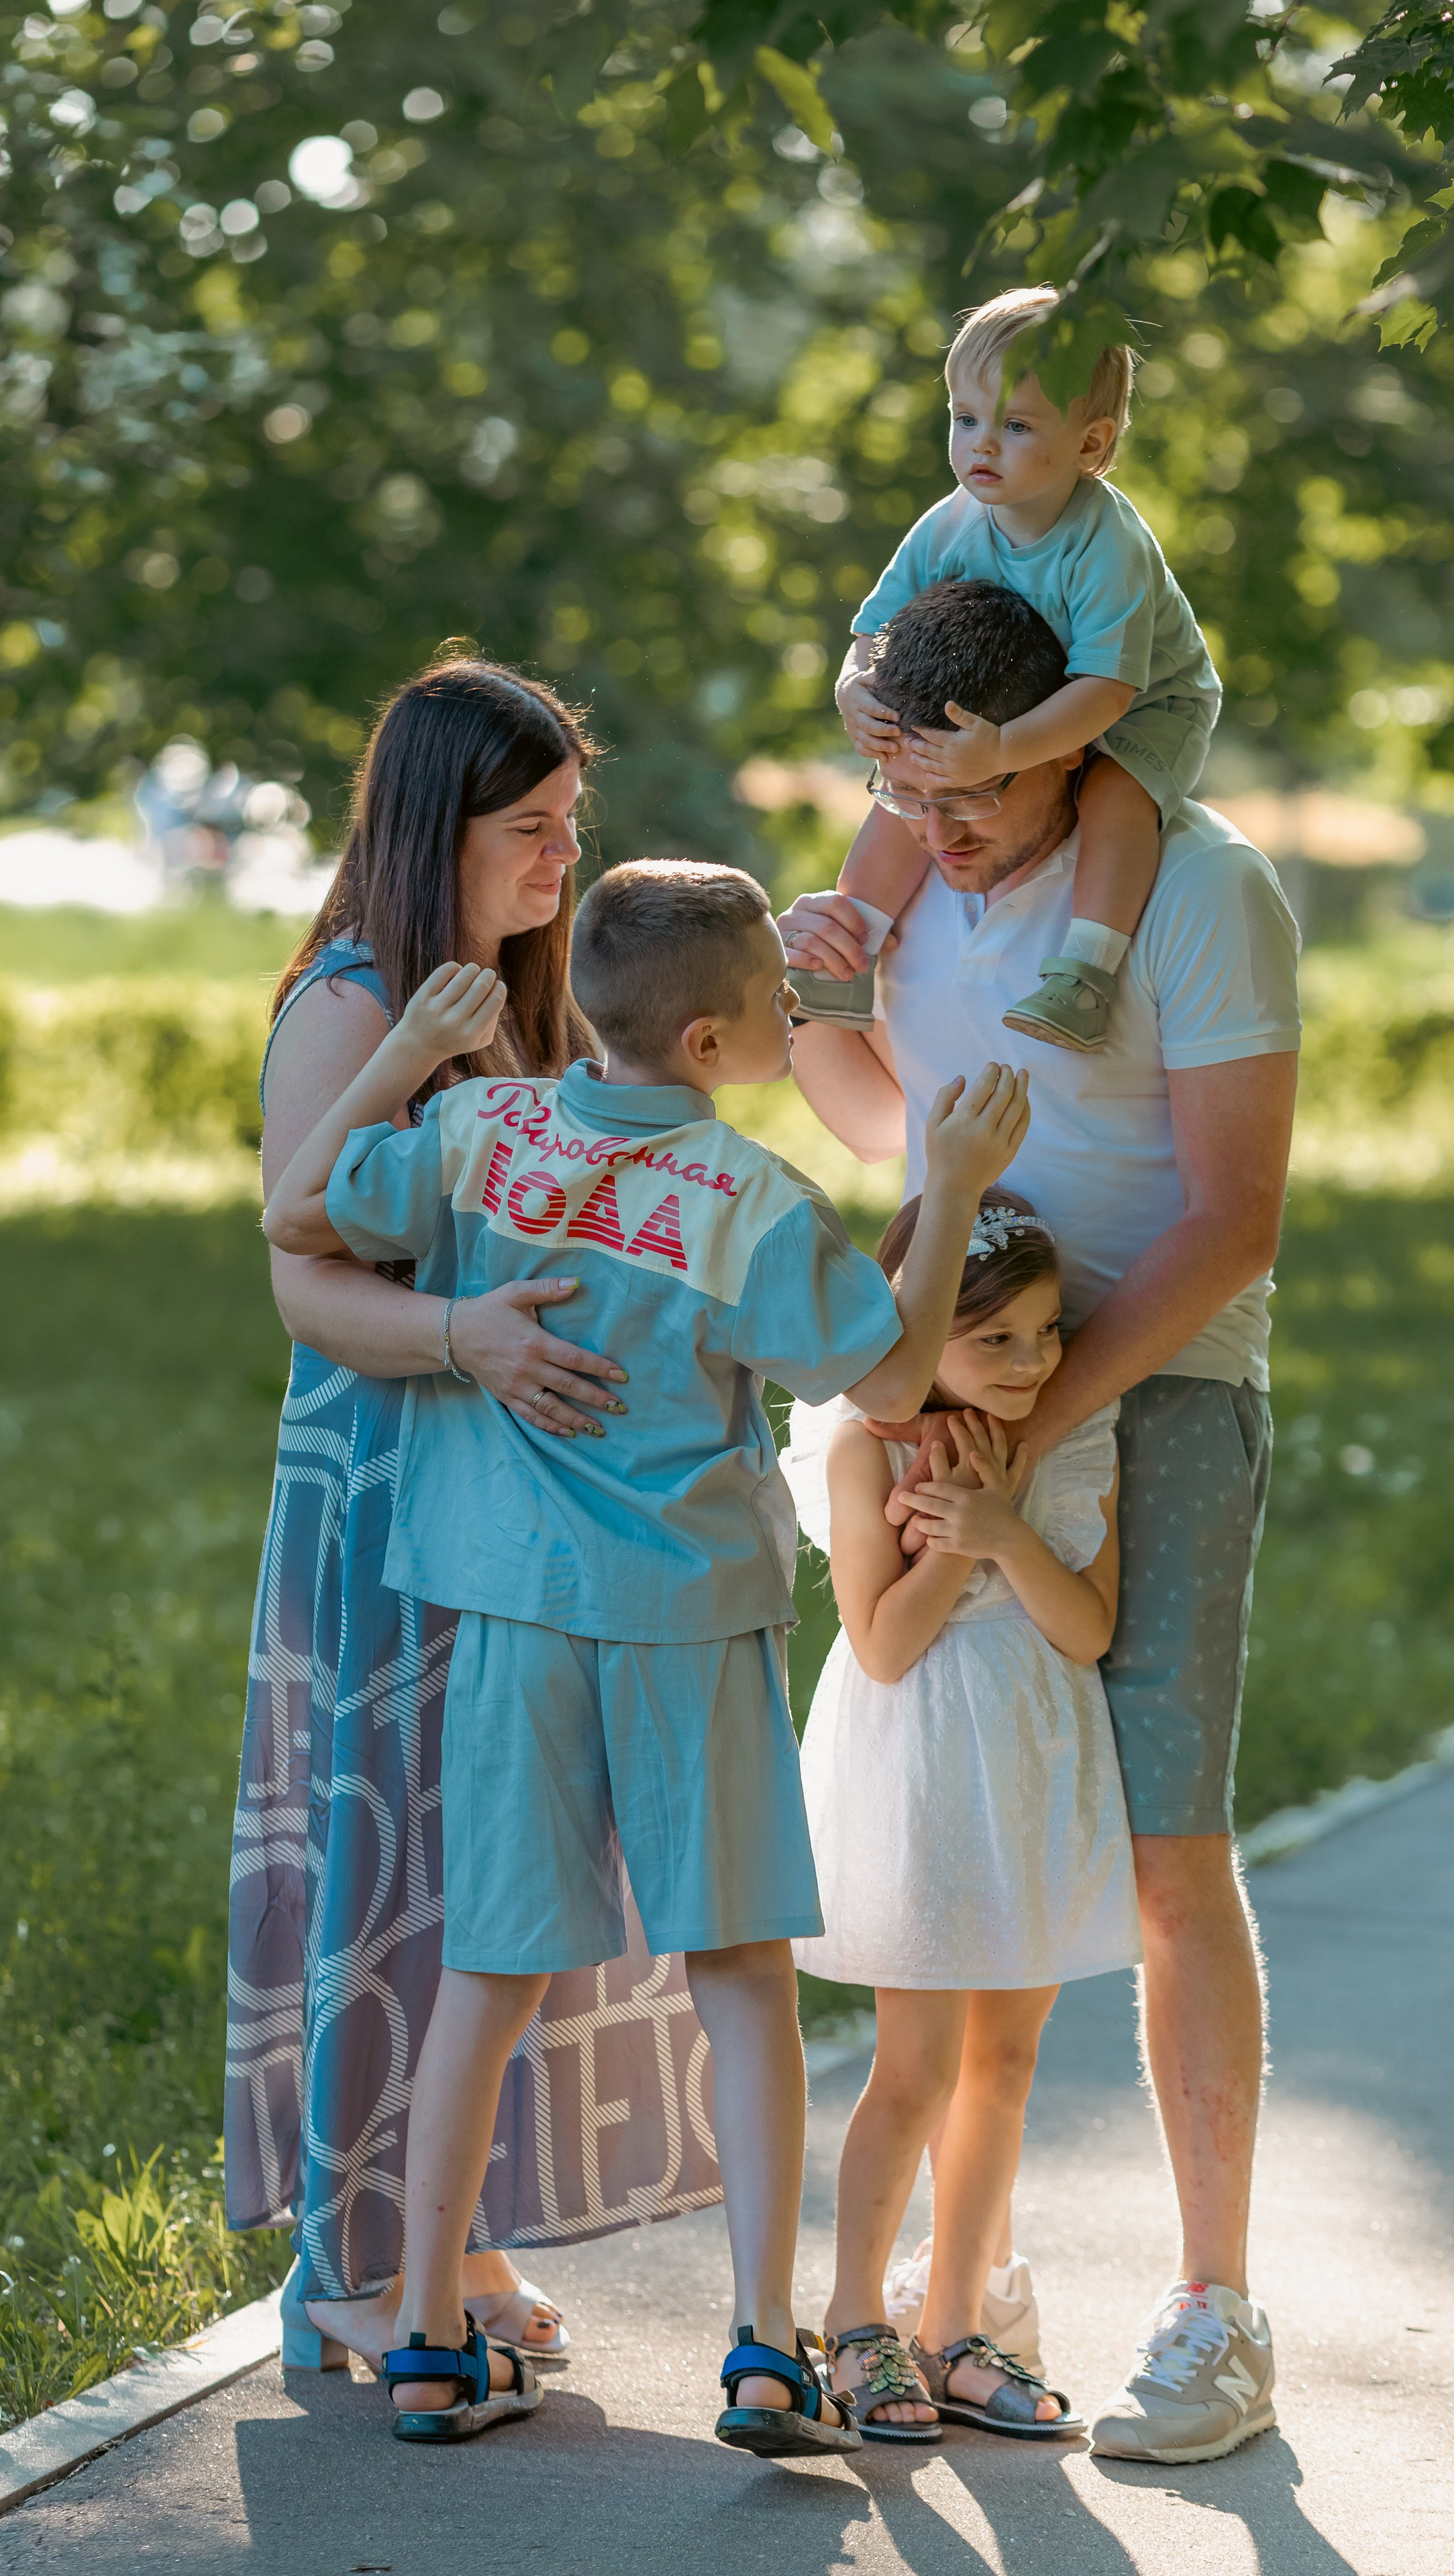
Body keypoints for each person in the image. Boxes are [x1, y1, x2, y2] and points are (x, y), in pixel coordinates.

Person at [264, 857, 1032, 2449]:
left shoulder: (480, 1133)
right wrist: (948, 1184)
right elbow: (888, 1381)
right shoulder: (750, 1200)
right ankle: (764, 2348)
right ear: (704, 1039)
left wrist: (405, 1056)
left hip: (512, 1612)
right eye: (773, 1002)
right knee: (739, 1974)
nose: (789, 1016)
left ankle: (421, 2338)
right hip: (687, 1618)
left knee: (488, 1967)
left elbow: (299, 1209)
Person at [780, 575, 1298, 2467]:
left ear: (1064, 740)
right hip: (962, 1386)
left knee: (1164, 1855)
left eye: (970, 792)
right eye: (906, 790)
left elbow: (1230, 1218)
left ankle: (1215, 2308)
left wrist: (1011, 1444)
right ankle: (959, 2287)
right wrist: (819, 988)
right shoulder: (916, 873)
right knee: (978, 1844)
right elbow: (878, 1114)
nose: (938, 828)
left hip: (1144, 1398)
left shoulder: (1201, 887)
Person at [224, 658, 721, 2382]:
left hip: (506, 1499)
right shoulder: (354, 1006)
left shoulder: (509, 1001)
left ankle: (458, 2225)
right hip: (386, 1492)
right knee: (390, 1875)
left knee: (485, 1869)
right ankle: (349, 2266)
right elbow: (300, 1276)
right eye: (528, 828)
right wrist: (468, 1338)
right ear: (437, 825)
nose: (556, 860)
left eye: (568, 826)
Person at [781, 1187, 1139, 2443]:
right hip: (926, 1769)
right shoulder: (861, 1450)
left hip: (1035, 1765)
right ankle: (857, 2322)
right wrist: (956, 1548)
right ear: (917, 1331)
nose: (1034, 1361)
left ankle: (955, 2324)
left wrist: (999, 1525)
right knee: (919, 2065)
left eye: (1046, 1332)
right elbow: (879, 1646)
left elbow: (1088, 1629)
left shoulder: (1075, 1438)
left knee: (1007, 2060)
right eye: (996, 1339)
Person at [807, 284, 1220, 1055]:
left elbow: (1107, 689)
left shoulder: (1107, 546)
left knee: (1115, 796)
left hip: (1141, 701)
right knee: (916, 780)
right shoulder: (950, 522)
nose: (981, 445)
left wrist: (1001, 752)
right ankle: (848, 943)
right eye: (965, 419)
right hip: (1021, 690)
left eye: (1016, 425)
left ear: (1091, 445)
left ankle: (1084, 973)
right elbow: (873, 627)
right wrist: (854, 685)